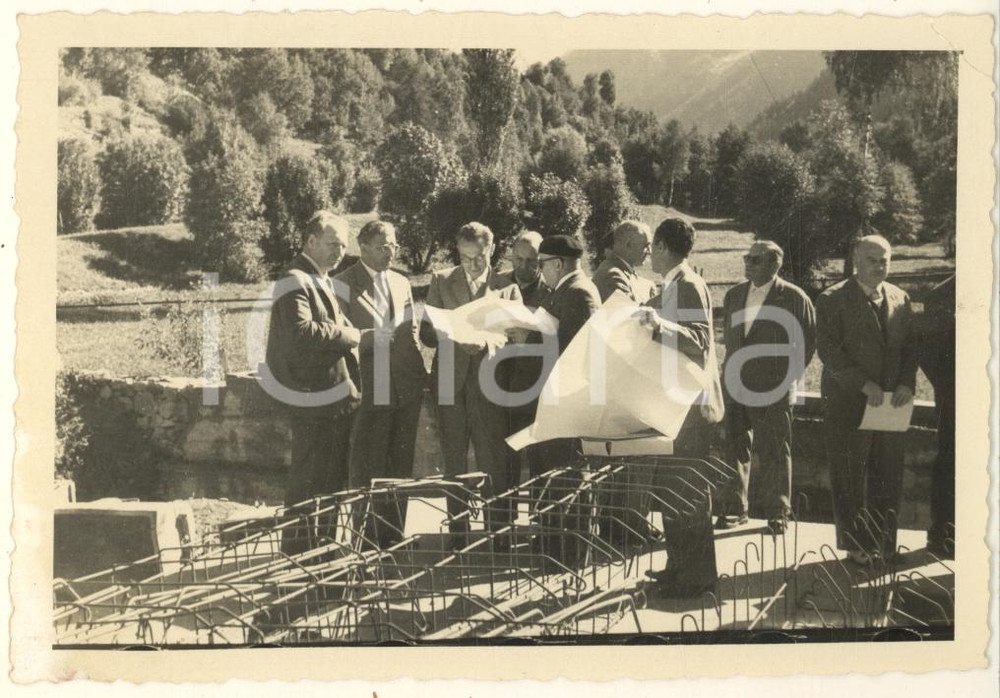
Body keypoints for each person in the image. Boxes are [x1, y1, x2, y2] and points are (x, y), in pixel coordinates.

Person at [635, 216, 724, 593]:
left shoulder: (688, 284)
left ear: (661, 247)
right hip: (675, 402)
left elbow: (699, 339)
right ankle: (678, 567)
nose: (647, 255)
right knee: (673, 489)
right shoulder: (674, 284)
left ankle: (696, 578)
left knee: (687, 491)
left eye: (651, 248)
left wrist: (658, 324)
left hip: (690, 406)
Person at [816, 235, 917, 565]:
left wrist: (905, 384)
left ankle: (885, 545)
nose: (880, 265)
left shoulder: (901, 298)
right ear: (855, 262)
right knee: (850, 476)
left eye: (885, 259)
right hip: (848, 403)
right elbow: (829, 351)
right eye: (872, 259)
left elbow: (910, 349)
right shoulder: (832, 299)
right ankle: (857, 546)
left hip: (891, 404)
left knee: (888, 473)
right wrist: (864, 385)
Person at [420, 222, 522, 539]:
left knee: (494, 457)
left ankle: (499, 531)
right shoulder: (441, 281)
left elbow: (517, 337)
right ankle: (458, 533)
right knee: (454, 458)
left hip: (491, 385)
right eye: (465, 258)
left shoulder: (508, 286)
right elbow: (426, 334)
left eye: (478, 258)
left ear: (491, 249)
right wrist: (451, 332)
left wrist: (490, 341)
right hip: (451, 382)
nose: (472, 265)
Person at [333, 220, 428, 546]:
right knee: (367, 467)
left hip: (405, 390)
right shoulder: (341, 285)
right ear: (364, 247)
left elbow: (410, 334)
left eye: (395, 246)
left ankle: (393, 538)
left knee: (399, 467)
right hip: (369, 391)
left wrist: (419, 378)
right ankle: (365, 541)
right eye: (385, 246)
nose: (393, 252)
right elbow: (343, 342)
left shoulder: (402, 283)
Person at [263, 211, 364, 510]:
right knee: (308, 485)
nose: (339, 251)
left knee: (329, 485)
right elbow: (302, 332)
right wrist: (350, 335)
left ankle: (323, 552)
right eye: (332, 243)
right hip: (312, 399)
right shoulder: (295, 278)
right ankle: (300, 554)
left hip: (331, 400)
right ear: (310, 241)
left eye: (343, 246)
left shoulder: (320, 279)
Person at [718, 241, 816, 535]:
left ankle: (778, 512)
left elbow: (808, 343)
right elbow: (730, 338)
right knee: (734, 448)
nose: (748, 263)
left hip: (774, 389)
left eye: (756, 260)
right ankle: (735, 510)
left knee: (774, 449)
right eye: (746, 257)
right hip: (734, 385)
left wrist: (786, 379)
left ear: (776, 264)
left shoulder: (795, 298)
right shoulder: (734, 295)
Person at [533, 234, 601, 559]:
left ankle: (571, 558)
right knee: (560, 478)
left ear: (558, 264)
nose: (540, 271)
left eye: (542, 264)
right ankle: (558, 553)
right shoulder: (567, 290)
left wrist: (529, 337)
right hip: (560, 400)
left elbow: (572, 354)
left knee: (570, 478)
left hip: (569, 402)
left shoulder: (578, 293)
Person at [496, 231, 551, 495]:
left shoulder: (551, 291)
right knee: (504, 466)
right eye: (518, 259)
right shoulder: (498, 284)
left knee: (541, 465)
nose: (524, 267)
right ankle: (504, 532)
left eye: (532, 261)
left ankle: (539, 530)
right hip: (500, 386)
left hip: (537, 388)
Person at [918, 274, 955, 559]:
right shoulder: (942, 296)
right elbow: (930, 353)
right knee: (952, 460)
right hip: (958, 398)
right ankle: (944, 534)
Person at [591, 219, 654, 303]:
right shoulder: (612, 275)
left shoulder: (621, 271)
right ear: (629, 245)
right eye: (646, 246)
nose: (649, 252)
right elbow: (629, 314)